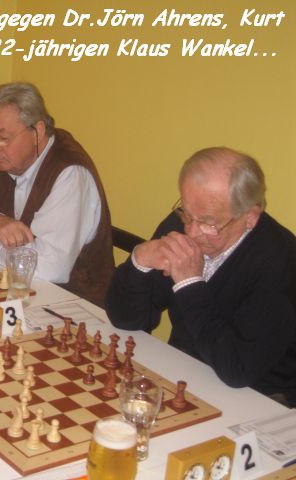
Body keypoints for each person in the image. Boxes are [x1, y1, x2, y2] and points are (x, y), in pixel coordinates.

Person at [105, 147, 296, 405]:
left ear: (250, 217)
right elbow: (126, 320)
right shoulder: (183, 224)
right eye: (186, 213)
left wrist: (190, 284)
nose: (192, 232)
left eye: (208, 223)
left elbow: (238, 370)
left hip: (262, 398)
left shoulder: (280, 261)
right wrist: (139, 262)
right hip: (188, 372)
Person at [0, 82, 113, 307]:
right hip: (10, 293)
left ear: (38, 131)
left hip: (72, 307)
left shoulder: (70, 173)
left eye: (3, 138)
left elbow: (50, 267)